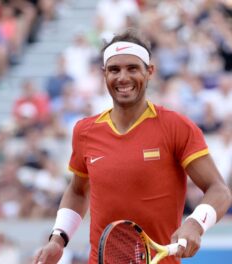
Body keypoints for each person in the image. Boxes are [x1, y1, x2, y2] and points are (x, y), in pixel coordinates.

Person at [33, 29, 232, 264]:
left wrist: (195, 224)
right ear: (104, 74)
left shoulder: (176, 126)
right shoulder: (85, 131)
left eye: (132, 68)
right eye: (114, 70)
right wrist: (58, 239)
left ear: (150, 72)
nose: (123, 78)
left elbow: (219, 190)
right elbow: (77, 190)